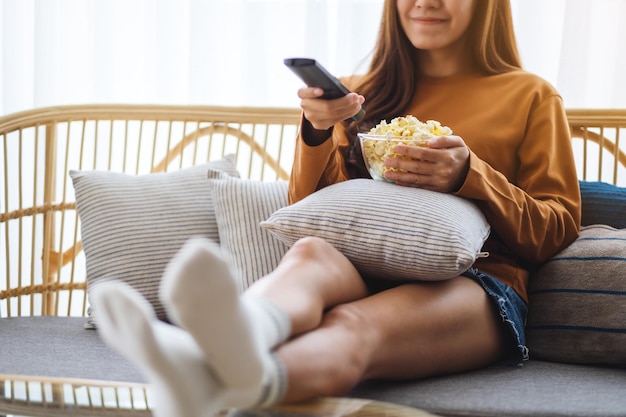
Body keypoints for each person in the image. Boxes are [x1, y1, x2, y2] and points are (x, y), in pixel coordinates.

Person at [91, 1, 581, 417]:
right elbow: (307, 208)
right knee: (307, 254)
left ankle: (219, 379)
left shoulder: (530, 95)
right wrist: (317, 132)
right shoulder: (356, 94)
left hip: (478, 284)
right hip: (367, 265)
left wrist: (469, 176)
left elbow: (557, 229)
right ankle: (225, 343)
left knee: (353, 327)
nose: (424, 2)